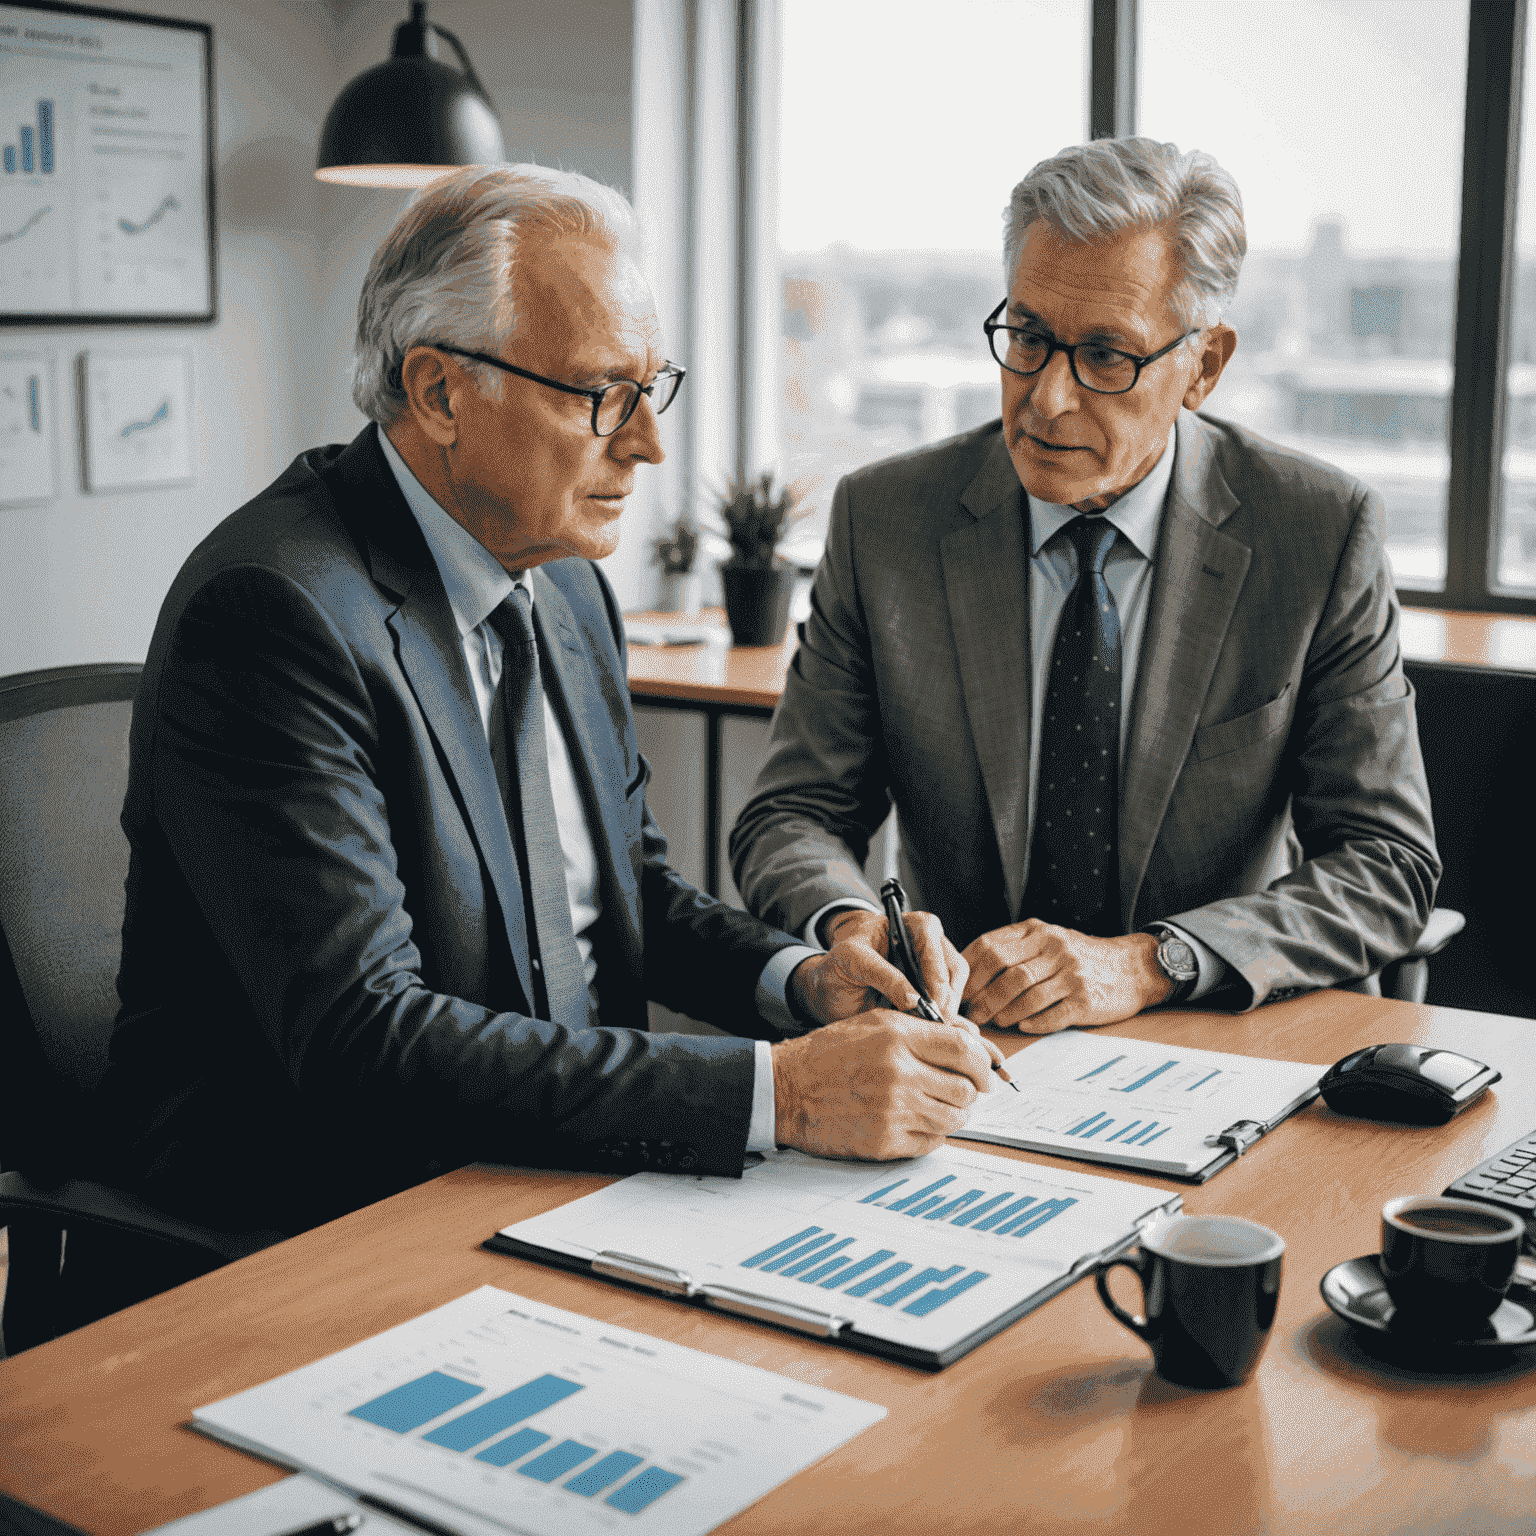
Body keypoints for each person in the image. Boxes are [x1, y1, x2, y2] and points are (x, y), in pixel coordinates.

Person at [105, 164, 999, 1238]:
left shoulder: (565, 581)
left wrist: (803, 982)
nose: (647, 442)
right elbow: (365, 1040)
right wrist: (788, 1095)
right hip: (326, 1209)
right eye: (598, 395)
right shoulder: (273, 615)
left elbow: (632, 895)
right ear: (439, 391)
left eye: (650, 386)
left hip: (559, 1170)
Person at [730, 137, 1439, 1033]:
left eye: (1106, 357)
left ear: (1205, 366)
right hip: (969, 1040)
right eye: (1026, 337)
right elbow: (791, 814)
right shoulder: (888, 521)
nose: (1047, 398)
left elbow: (1385, 864)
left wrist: (1151, 962)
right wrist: (852, 924)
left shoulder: (1316, 532)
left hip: (1222, 1035)